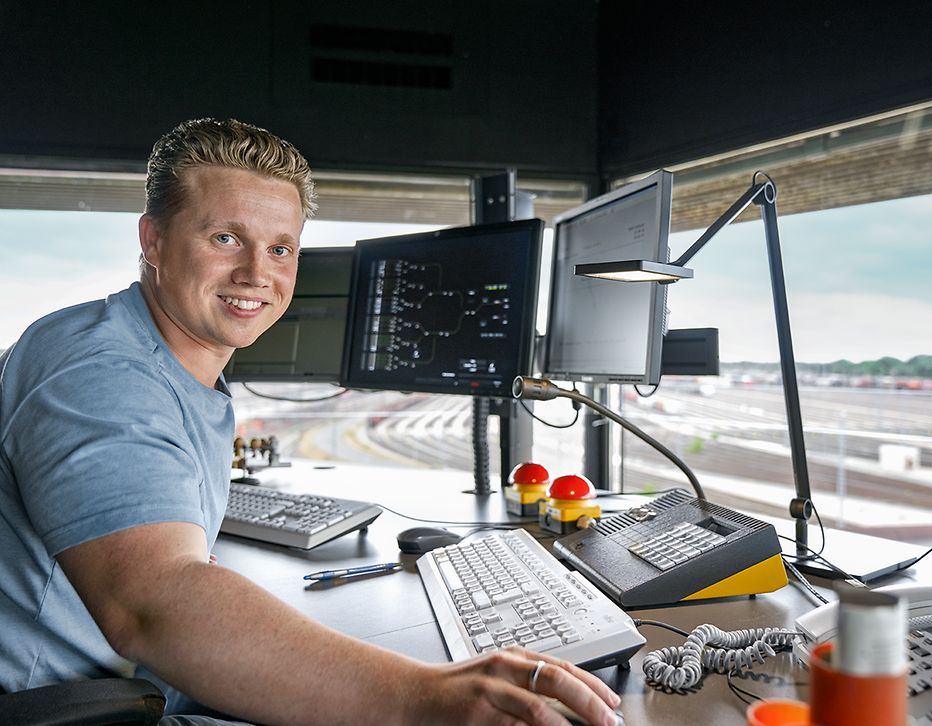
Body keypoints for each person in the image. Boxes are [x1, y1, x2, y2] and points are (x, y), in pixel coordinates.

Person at [0, 118, 622, 725]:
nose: (255, 274)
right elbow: (154, 601)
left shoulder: (169, 367)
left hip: (144, 687)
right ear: (153, 241)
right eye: (224, 239)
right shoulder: (100, 372)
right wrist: (421, 698)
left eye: (279, 249)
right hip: (78, 708)